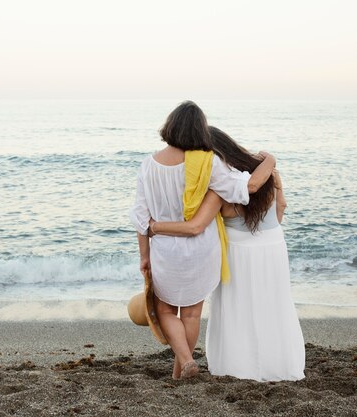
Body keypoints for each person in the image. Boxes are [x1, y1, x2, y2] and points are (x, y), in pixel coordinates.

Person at [129, 102, 276, 379]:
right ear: (199, 130)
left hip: (166, 252)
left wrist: (144, 256)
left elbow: (140, 217)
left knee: (164, 310)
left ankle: (184, 362)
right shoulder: (208, 163)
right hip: (202, 250)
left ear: (169, 126)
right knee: (192, 315)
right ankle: (181, 370)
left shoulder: (148, 166)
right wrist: (270, 161)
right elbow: (248, 186)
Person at [148, 126, 305, 382]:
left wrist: (154, 226)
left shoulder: (220, 187)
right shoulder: (265, 172)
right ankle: (280, 364)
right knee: (274, 306)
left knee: (238, 310)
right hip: (274, 247)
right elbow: (280, 210)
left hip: (238, 253)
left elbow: (195, 226)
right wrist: (272, 160)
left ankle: (239, 366)